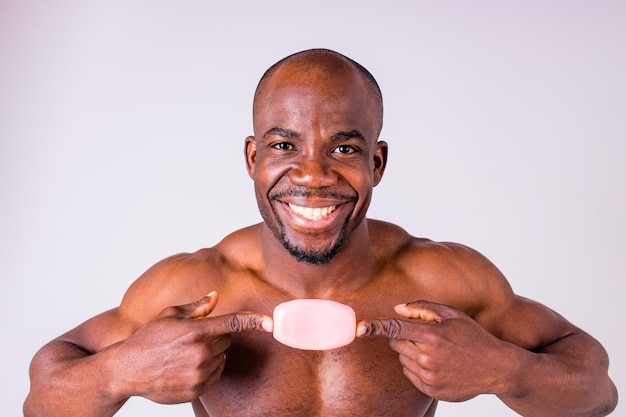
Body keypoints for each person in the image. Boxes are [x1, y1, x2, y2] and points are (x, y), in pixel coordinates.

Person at [24, 48, 618, 417]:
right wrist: (118, 373)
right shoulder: (196, 287)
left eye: (343, 147)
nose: (313, 175)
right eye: (285, 146)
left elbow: (597, 390)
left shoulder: (442, 280)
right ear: (253, 157)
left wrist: (502, 371)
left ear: (377, 164)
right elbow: (41, 397)